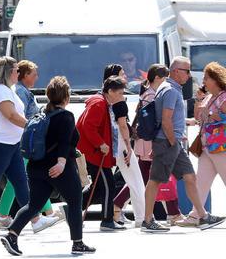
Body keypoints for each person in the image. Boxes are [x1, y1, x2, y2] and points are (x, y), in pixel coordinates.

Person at [0, 77, 96, 256]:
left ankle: (12, 234)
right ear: (66, 97)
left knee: (34, 205)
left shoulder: (41, 114)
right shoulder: (66, 116)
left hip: (36, 167)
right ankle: (78, 243)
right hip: (58, 168)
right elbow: (65, 142)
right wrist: (61, 162)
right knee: (75, 201)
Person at [0, 57, 57, 235]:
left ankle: (35, 219)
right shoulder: (0, 91)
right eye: (17, 70)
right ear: (9, 72)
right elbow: (10, 115)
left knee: (21, 183)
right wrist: (32, 127)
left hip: (10, 144)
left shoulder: (8, 90)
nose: (19, 73)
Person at [141, 57, 225, 232]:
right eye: (187, 71)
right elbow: (165, 120)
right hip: (168, 142)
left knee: (190, 177)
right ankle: (147, 220)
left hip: (172, 142)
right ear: (176, 71)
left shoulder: (170, 88)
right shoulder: (171, 90)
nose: (189, 75)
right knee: (155, 180)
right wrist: (172, 142)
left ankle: (201, 216)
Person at [116, 65, 185, 225]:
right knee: (159, 175)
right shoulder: (153, 95)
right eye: (165, 78)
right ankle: (173, 213)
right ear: (157, 78)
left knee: (145, 177)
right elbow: (160, 121)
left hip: (146, 141)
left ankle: (117, 205)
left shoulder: (148, 93)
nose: (167, 82)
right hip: (152, 142)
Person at [0, 60, 59, 230]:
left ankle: (48, 213)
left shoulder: (23, 91)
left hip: (26, 139)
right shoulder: (21, 92)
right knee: (21, 179)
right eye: (34, 74)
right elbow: (18, 116)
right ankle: (4, 216)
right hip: (25, 140)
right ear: (23, 75)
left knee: (28, 178)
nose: (37, 77)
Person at [76, 76, 127, 231]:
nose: (122, 97)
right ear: (110, 91)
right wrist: (100, 144)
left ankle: (74, 208)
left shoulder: (103, 102)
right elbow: (88, 127)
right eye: (119, 93)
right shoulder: (99, 104)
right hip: (95, 152)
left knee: (100, 186)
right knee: (107, 185)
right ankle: (106, 220)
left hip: (97, 151)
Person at [104, 64, 147, 227]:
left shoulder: (105, 99)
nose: (125, 77)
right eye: (122, 75)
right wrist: (129, 147)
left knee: (103, 181)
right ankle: (142, 218)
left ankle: (138, 216)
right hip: (121, 143)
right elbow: (122, 125)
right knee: (136, 181)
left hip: (111, 143)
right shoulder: (119, 102)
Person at [189, 62, 226, 221]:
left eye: (206, 78)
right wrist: (198, 99)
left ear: (216, 79)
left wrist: (213, 116)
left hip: (220, 146)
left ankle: (195, 215)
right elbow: (198, 117)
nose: (203, 81)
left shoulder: (224, 97)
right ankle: (195, 214)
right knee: (201, 182)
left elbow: (222, 117)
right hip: (207, 146)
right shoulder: (209, 97)